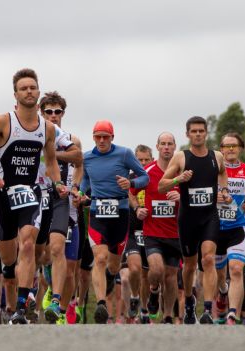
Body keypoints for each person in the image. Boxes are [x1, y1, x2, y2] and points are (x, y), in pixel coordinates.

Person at [0, 68, 68, 324]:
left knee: (28, 243)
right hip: (4, 194)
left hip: (31, 193)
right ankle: (11, 297)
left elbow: (51, 163)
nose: (29, 91)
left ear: (38, 92)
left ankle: (21, 306)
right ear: (15, 94)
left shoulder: (47, 128)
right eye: (23, 88)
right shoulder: (3, 122)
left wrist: (58, 184)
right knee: (8, 262)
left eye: (32, 87)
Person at [72, 119, 149, 323]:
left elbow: (144, 178)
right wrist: (81, 192)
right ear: (93, 137)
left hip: (120, 213)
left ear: (112, 137)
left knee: (114, 266)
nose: (102, 140)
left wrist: (130, 182)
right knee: (99, 259)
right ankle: (101, 304)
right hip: (98, 212)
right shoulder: (87, 157)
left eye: (106, 136)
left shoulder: (124, 154)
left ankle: (119, 285)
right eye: (98, 136)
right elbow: (86, 179)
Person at [158, 116, 232, 324]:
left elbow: (223, 173)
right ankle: (190, 302)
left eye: (201, 131)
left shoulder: (216, 156)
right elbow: (161, 186)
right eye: (194, 131)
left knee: (208, 259)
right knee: (189, 266)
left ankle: (207, 309)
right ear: (187, 134)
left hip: (210, 216)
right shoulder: (181, 157)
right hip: (188, 220)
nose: (198, 134)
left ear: (206, 132)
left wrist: (224, 190)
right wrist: (177, 179)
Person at [37, 91, 83, 324]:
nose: (53, 116)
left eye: (57, 112)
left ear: (63, 113)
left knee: (71, 266)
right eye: (48, 112)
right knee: (46, 254)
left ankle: (62, 311)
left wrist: (76, 187)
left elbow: (80, 162)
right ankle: (49, 282)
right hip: (41, 199)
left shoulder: (71, 139)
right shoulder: (34, 137)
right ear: (41, 112)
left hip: (67, 203)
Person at [137, 134, 182, 325]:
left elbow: (192, 197)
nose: (166, 147)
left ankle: (168, 316)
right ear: (157, 147)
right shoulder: (147, 172)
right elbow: (130, 193)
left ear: (174, 147)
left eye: (169, 144)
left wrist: (181, 198)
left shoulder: (182, 172)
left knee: (171, 277)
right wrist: (137, 208)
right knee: (156, 269)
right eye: (162, 144)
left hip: (175, 233)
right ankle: (154, 290)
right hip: (153, 232)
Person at [213, 132, 245, 325]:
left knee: (236, 269)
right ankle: (222, 292)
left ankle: (232, 313)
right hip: (214, 228)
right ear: (221, 149)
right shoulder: (212, 168)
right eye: (227, 146)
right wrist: (216, 198)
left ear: (240, 148)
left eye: (234, 146)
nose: (231, 149)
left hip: (238, 226)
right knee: (220, 274)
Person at [124, 144, 154, 324]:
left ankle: (144, 311)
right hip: (132, 231)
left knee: (147, 275)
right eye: (139, 160)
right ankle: (134, 296)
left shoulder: (156, 177)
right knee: (134, 269)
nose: (143, 164)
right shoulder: (129, 179)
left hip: (152, 231)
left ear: (152, 159)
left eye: (146, 160)